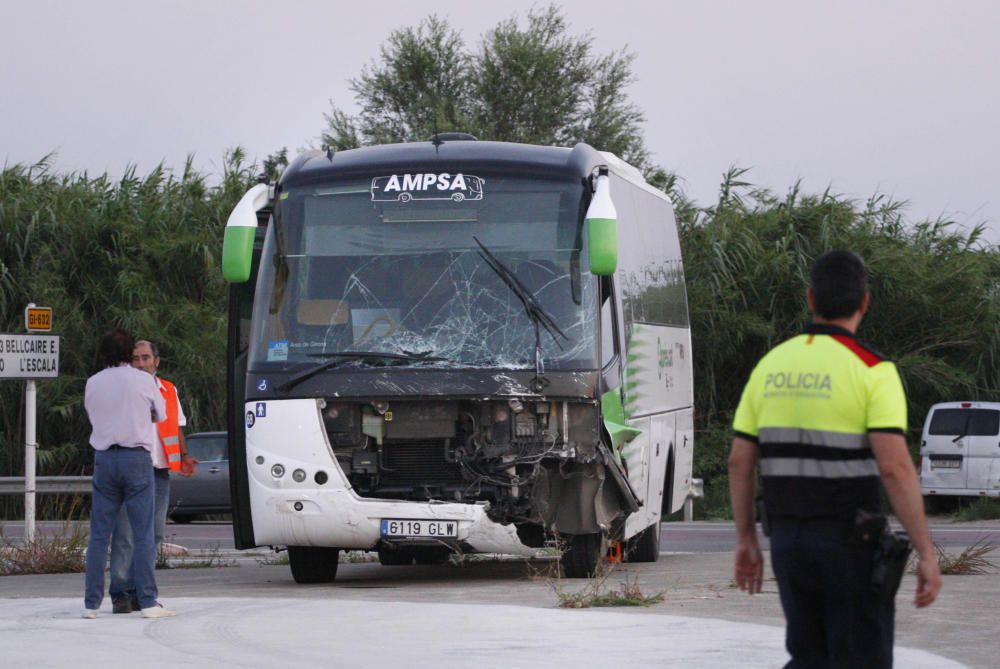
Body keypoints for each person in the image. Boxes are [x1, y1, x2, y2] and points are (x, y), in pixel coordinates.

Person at [728, 250, 941, 668]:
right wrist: (926, 552)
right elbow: (895, 468)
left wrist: (745, 540)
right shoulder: (872, 370)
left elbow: (739, 462)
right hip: (852, 546)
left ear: (811, 299)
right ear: (865, 302)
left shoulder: (771, 366)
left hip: (788, 542)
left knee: (809, 657)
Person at [82, 329, 176, 619]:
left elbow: (92, 414)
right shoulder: (143, 380)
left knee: (99, 534)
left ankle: (91, 604)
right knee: (144, 533)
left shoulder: (93, 382)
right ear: (129, 354)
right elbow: (160, 414)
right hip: (136, 458)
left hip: (104, 459)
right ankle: (148, 601)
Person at [108, 339, 198, 614]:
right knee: (125, 533)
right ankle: (121, 592)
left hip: (159, 471)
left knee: (154, 533)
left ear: (156, 361)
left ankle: (139, 591)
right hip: (130, 469)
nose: (141, 363)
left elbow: (177, 427)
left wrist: (183, 456)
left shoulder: (168, 390)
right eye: (136, 358)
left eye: (146, 358)